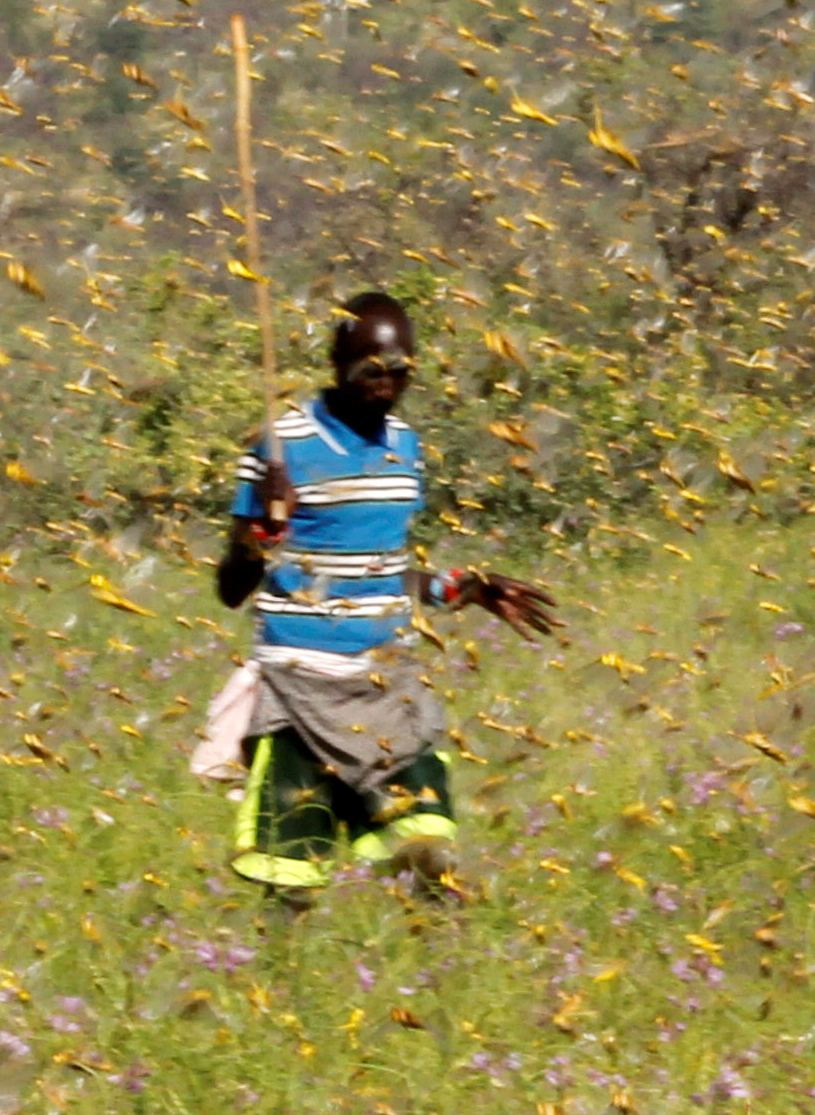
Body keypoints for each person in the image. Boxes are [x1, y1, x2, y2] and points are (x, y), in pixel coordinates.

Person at [199, 289, 557, 897]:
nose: (387, 383)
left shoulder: (405, 446)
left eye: (401, 371)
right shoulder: (279, 446)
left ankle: (436, 985)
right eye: (372, 370)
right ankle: (278, 984)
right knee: (291, 879)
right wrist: (263, 529)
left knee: (428, 852)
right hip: (299, 685)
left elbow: (381, 569)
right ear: (338, 362)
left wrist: (463, 587)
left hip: (386, 685)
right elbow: (232, 588)